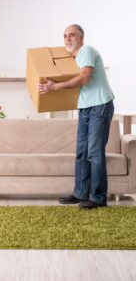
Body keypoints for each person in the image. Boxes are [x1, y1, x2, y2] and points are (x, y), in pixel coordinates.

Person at [38, 24, 114, 209]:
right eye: (65, 36)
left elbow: (84, 78)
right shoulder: (73, 59)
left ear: (82, 37)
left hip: (99, 105)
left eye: (72, 35)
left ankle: (98, 197)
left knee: (94, 153)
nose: (68, 39)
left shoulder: (86, 50)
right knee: (82, 152)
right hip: (85, 108)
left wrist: (54, 87)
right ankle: (80, 193)